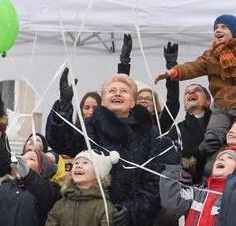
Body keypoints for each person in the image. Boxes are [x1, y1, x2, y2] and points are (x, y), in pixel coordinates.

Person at [49, 74, 179, 226]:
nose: (117, 93)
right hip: (92, 215)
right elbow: (62, 143)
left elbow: (156, 182)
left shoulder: (150, 132)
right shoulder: (90, 126)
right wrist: (63, 107)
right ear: (103, 101)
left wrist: (133, 210)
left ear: (133, 102)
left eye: (124, 91)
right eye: (112, 91)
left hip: (131, 220)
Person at [154, 14, 236, 159]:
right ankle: (205, 168)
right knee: (211, 140)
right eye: (216, 27)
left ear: (235, 32)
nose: (218, 30)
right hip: (221, 108)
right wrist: (173, 72)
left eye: (223, 27)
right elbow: (193, 67)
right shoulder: (210, 55)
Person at [118, 35, 181, 136]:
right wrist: (124, 61)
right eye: (140, 98)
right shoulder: (125, 121)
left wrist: (172, 67)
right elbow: (120, 87)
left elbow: (172, 102)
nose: (143, 100)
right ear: (133, 104)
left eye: (148, 99)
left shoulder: (161, 124)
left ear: (154, 107)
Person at [160, 148, 236, 226]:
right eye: (218, 158)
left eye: (230, 157)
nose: (221, 159)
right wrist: (172, 166)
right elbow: (171, 200)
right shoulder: (197, 193)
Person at [46, 150, 119, 226]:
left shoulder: (106, 208)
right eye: (76, 162)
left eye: (85, 162)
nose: (78, 166)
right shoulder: (60, 205)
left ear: (98, 174)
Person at [0, 149, 62, 225]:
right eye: (22, 158)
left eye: (31, 158)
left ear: (43, 168)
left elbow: (50, 200)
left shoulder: (50, 188)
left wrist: (29, 176)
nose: (22, 161)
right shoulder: (4, 186)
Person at [46, 67, 101, 156]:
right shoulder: (76, 134)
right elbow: (58, 143)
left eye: (95, 108)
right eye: (87, 108)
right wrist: (64, 105)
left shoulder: (107, 134)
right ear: (81, 111)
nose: (90, 112)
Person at [171, 83, 213, 183]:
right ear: (185, 106)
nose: (191, 92)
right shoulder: (177, 129)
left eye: (197, 90)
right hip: (188, 184)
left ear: (208, 101)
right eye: (187, 92)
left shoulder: (220, 123)